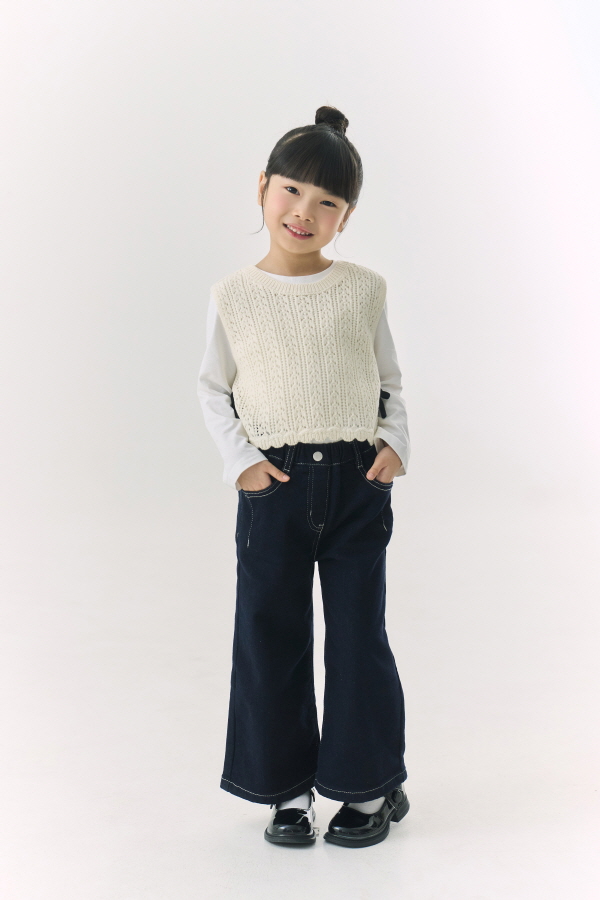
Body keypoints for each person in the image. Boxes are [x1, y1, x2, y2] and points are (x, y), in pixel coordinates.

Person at [197, 105, 411, 848]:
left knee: (357, 636)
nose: (304, 213)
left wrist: (393, 445)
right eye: (292, 191)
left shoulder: (362, 290)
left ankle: (368, 784)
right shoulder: (234, 296)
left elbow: (389, 381)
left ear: (345, 217)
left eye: (328, 203)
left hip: (356, 484)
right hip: (275, 488)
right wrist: (244, 465)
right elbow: (212, 389)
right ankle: (284, 792)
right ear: (262, 187)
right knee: (270, 637)